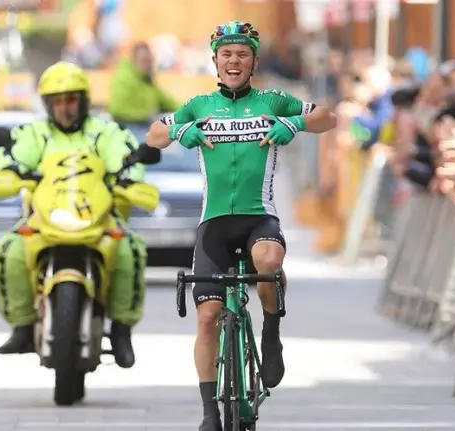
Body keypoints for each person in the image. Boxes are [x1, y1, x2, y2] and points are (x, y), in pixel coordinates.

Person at [144, 21, 337, 431]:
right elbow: (154, 134)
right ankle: (210, 413)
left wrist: (296, 123)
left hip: (258, 217)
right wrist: (182, 129)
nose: (234, 60)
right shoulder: (198, 104)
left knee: (268, 261)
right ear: (215, 60)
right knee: (207, 315)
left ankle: (271, 334)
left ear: (254, 62)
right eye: (227, 54)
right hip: (214, 224)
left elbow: (328, 117)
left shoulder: (272, 100)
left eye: (242, 54)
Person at [0, 61, 148, 369]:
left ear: (85, 100)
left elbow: (126, 155)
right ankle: (22, 327)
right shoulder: (33, 132)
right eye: (58, 101)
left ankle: (121, 330)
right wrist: (11, 171)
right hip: (43, 218)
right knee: (8, 249)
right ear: (47, 104)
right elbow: (11, 156)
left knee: (130, 250)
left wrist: (127, 173)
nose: (65, 108)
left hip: (100, 217)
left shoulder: (104, 130)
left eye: (72, 100)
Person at [107, 42, 179, 124]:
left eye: (149, 61)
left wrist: (186, 110)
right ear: (134, 60)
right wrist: (144, 116)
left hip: (144, 123)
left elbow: (168, 101)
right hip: (128, 125)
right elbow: (117, 110)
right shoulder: (124, 78)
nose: (148, 65)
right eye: (144, 60)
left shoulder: (147, 81)